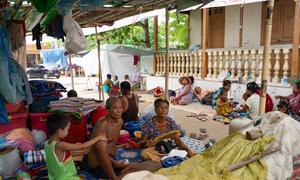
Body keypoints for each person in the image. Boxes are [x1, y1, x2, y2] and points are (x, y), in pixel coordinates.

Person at [45, 112, 103, 180]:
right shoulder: (59, 145)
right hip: (67, 178)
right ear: (59, 131)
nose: (68, 131)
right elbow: (82, 146)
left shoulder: (47, 143)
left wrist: (83, 153)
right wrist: (98, 137)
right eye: (67, 129)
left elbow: (64, 155)